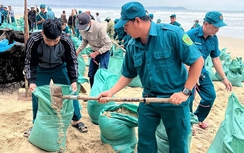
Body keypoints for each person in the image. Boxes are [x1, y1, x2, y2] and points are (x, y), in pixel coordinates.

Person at [97, 2, 204, 153]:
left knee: (178, 144)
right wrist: (111, 92)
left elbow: (197, 61)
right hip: (148, 100)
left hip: (174, 100)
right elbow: (128, 74)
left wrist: (185, 92)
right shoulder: (132, 45)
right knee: (145, 143)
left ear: (137, 21)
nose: (124, 29)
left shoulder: (172, 34)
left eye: (126, 25)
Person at [24, 19, 88, 137]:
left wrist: (74, 80)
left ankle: (76, 120)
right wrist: (31, 81)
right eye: (48, 40)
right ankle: (36, 123)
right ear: (42, 33)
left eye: (56, 41)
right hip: (41, 68)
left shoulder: (66, 41)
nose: (52, 43)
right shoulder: (34, 40)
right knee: (37, 94)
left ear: (60, 34)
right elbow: (29, 62)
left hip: (60, 67)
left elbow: (72, 61)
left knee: (71, 91)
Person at [187, 11, 233, 129]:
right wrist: (192, 76)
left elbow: (216, 59)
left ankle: (198, 119)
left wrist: (224, 78)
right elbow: (182, 58)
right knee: (189, 97)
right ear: (206, 24)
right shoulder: (190, 35)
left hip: (201, 71)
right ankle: (188, 123)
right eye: (215, 27)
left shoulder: (214, 39)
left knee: (210, 95)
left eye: (219, 27)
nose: (217, 30)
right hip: (186, 70)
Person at [75, 13, 112, 88]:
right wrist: (77, 51)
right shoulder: (81, 29)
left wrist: (97, 53)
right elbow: (85, 41)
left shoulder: (99, 28)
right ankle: (93, 92)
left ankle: (103, 91)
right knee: (91, 74)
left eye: (84, 26)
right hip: (93, 51)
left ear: (89, 22)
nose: (83, 28)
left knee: (102, 73)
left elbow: (108, 44)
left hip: (104, 52)